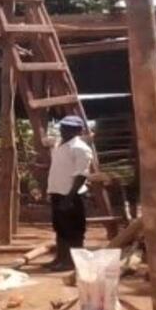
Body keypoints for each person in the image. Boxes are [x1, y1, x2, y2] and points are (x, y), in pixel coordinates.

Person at [43, 115, 92, 269]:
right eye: (63, 127)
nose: (64, 130)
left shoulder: (80, 148)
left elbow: (81, 175)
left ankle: (71, 262)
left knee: (73, 230)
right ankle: (61, 258)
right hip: (58, 192)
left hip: (72, 195)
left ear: (78, 131)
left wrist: (69, 197)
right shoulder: (59, 145)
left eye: (69, 128)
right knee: (60, 228)